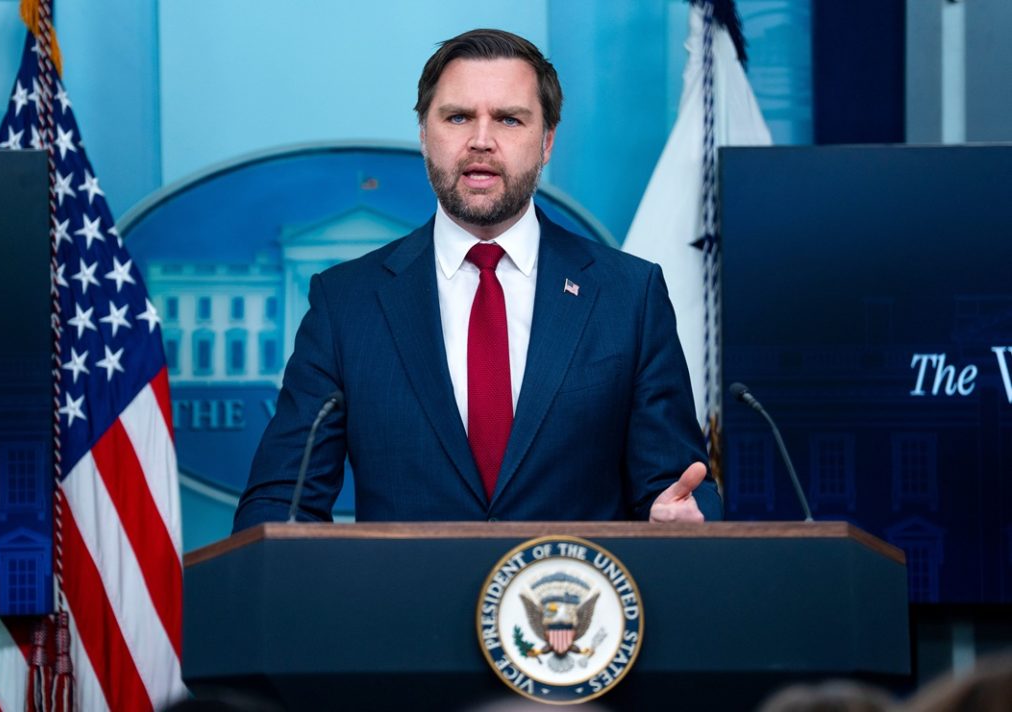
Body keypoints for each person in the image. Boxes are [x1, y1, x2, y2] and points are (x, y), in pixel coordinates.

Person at [233, 28, 721, 530]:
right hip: (404, 584)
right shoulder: (346, 303)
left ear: (547, 141)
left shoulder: (628, 296)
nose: (481, 140)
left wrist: (678, 518)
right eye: (458, 117)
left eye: (509, 119)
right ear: (424, 135)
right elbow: (280, 501)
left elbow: (677, 484)